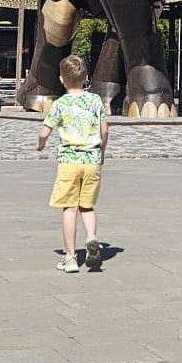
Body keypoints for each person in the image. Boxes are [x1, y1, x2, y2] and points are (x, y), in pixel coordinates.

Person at [36, 55, 108, 274]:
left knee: (70, 208)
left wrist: (40, 145)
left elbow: (44, 132)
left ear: (61, 79)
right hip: (92, 160)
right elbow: (104, 131)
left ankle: (70, 258)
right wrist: (101, 151)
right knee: (87, 206)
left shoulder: (60, 104)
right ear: (86, 78)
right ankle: (92, 237)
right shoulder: (95, 101)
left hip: (69, 160)